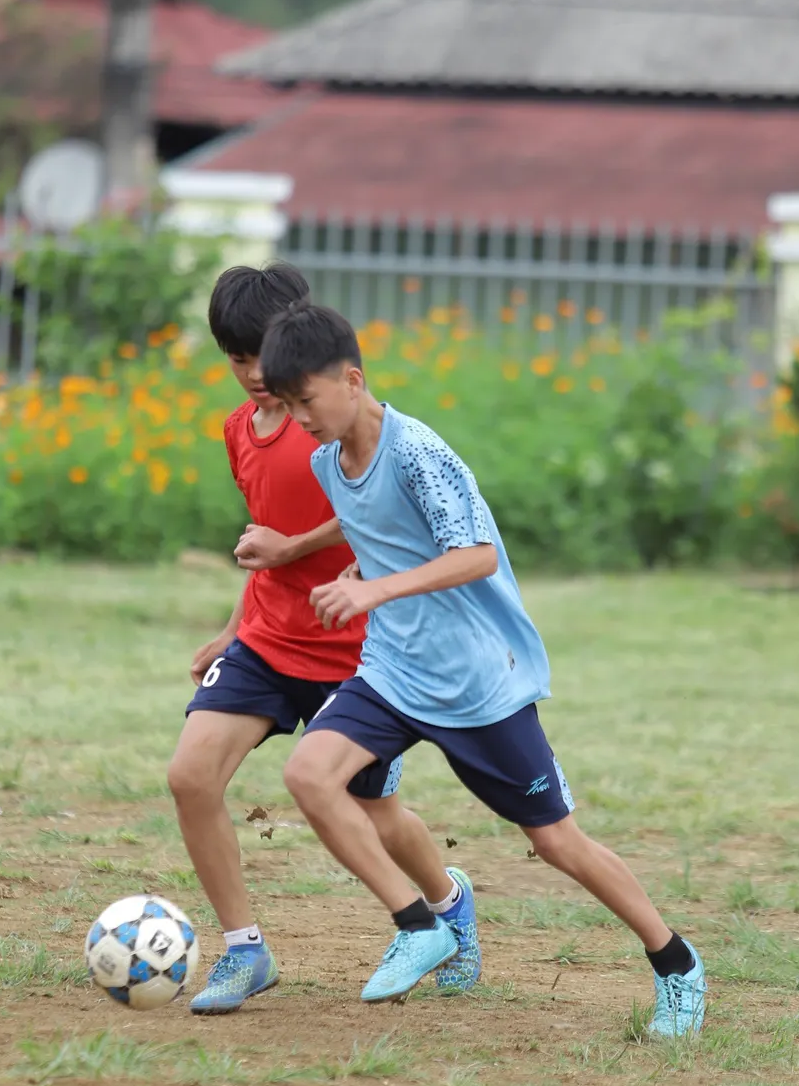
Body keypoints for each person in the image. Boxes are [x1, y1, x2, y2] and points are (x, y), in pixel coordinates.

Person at [258, 300, 706, 1033]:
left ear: (352, 378)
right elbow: (365, 513)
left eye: (306, 400)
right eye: (288, 404)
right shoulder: (326, 459)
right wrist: (290, 549)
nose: (300, 417)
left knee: (555, 841)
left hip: (477, 683)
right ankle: (420, 925)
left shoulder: (418, 451)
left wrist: (373, 587)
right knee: (309, 774)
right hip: (393, 672)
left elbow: (475, 554)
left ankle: (676, 960)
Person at [167, 262, 480, 1013]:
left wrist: (291, 549)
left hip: (358, 651)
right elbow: (263, 544)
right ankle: (245, 950)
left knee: (375, 815)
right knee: (190, 777)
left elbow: (376, 511)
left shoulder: (337, 421)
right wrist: (233, 627)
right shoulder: (239, 430)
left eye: (259, 355)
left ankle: (446, 904)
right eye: (236, 359)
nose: (250, 375)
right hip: (270, 641)